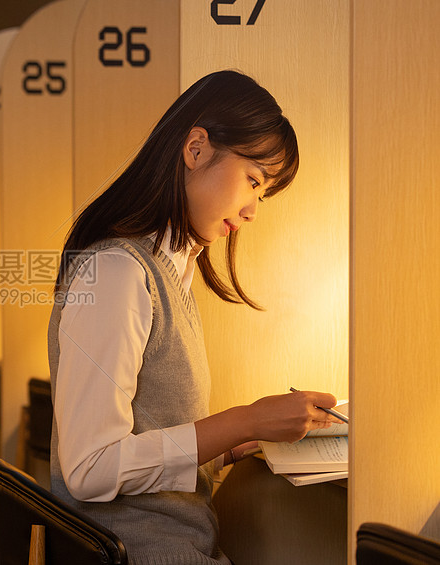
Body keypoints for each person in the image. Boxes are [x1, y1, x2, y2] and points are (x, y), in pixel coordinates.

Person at [48, 70, 343, 564]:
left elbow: (143, 437)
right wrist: (241, 420)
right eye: (253, 180)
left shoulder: (169, 272)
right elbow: (90, 468)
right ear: (196, 149)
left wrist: (234, 442)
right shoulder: (118, 271)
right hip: (140, 550)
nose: (252, 211)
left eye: (262, 193)